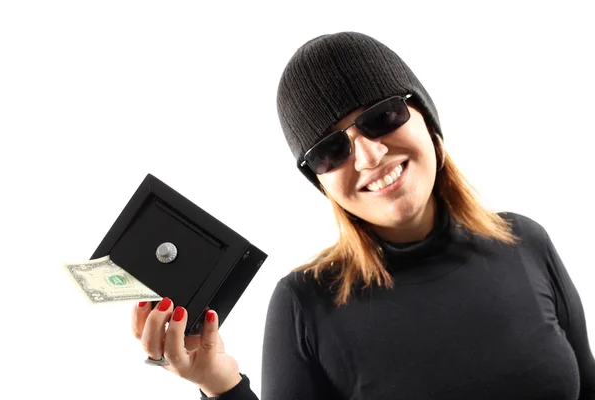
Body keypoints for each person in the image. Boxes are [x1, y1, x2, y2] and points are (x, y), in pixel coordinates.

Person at [131, 31, 595, 399]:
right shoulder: (304, 305)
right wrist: (221, 385)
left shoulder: (527, 242)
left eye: (383, 116)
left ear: (426, 119)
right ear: (321, 182)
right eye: (331, 150)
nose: (370, 156)